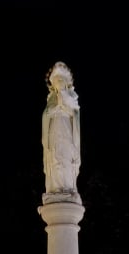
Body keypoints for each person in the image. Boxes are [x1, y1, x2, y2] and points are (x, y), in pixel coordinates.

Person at [42, 62, 80, 195]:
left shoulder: (71, 98)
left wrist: (64, 104)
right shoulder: (51, 100)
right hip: (54, 131)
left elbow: (74, 114)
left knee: (65, 157)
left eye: (61, 79)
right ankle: (55, 188)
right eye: (56, 80)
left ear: (66, 82)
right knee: (55, 157)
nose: (59, 82)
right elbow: (47, 115)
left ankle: (68, 187)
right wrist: (56, 107)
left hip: (66, 131)